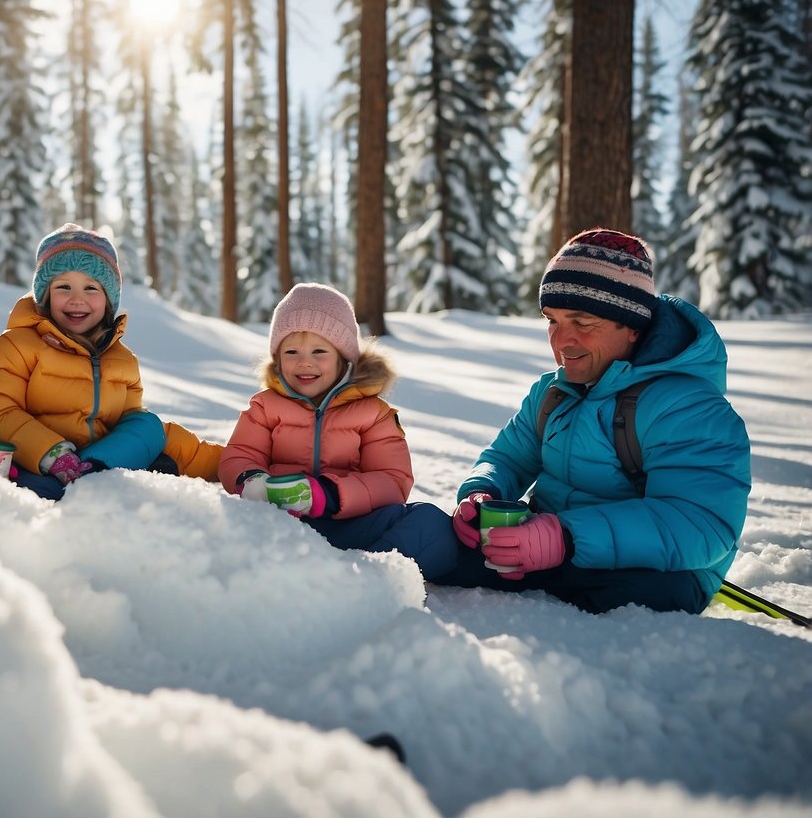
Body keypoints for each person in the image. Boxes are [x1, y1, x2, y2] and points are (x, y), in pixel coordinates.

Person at [435, 228, 751, 614]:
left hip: (659, 571)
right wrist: (481, 492)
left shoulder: (689, 408)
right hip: (545, 551)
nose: (561, 341)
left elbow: (699, 523)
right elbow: (508, 457)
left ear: (633, 326)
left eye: (582, 322)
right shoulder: (552, 393)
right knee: (426, 535)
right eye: (552, 321)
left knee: (613, 600)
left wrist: (566, 537)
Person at [218, 283, 457, 580]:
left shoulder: (373, 413)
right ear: (277, 359)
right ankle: (323, 577)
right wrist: (251, 481)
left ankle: (369, 576)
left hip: (351, 523)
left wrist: (329, 495)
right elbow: (239, 454)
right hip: (282, 525)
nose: (305, 361)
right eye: (291, 351)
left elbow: (392, 481)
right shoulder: (265, 407)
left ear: (344, 358)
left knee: (430, 523)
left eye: (320, 351)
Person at [0, 223, 221, 500]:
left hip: (98, 464)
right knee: (36, 487)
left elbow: (131, 427)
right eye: (64, 287)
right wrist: (52, 455)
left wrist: (230, 465)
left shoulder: (122, 360)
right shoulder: (16, 345)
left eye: (91, 288)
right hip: (37, 464)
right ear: (45, 296)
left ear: (108, 301)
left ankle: (94, 473)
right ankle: (84, 485)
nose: (77, 299)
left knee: (148, 425)